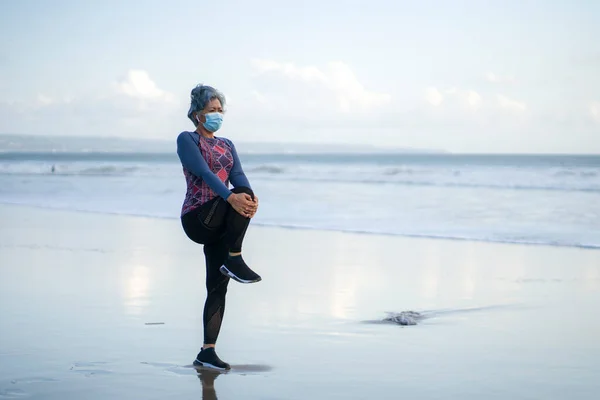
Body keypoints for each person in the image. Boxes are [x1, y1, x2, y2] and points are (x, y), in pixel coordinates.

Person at [177, 83, 261, 371]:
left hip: (223, 219)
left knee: (217, 287)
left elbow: (237, 174)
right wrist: (230, 196)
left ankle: (207, 352)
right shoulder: (187, 139)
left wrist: (248, 196)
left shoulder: (227, 144)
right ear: (198, 113)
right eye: (212, 110)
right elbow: (203, 171)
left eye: (220, 110)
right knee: (237, 199)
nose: (217, 114)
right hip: (198, 216)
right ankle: (235, 259)